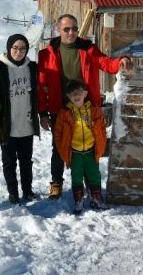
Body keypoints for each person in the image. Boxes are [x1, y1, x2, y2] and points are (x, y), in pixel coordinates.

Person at [37, 14, 131, 200]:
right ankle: (56, 183)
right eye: (66, 29)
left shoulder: (88, 48)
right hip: (60, 109)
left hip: (86, 108)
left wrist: (121, 60)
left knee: (88, 147)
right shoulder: (46, 54)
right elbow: (42, 85)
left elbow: (106, 63)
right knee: (59, 147)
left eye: (74, 28)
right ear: (58, 30)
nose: (71, 32)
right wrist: (43, 113)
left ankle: (90, 183)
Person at [0, 34, 40, 205]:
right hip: (8, 125)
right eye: (15, 48)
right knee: (9, 162)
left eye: (23, 49)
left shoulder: (31, 67)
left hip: (26, 123)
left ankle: (27, 190)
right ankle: (13, 193)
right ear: (9, 48)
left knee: (27, 161)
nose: (19, 52)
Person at [53, 80, 108, 214]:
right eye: (73, 94)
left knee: (94, 175)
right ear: (68, 96)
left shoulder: (94, 110)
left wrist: (101, 144)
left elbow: (102, 128)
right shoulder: (65, 113)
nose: (76, 96)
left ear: (85, 93)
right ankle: (78, 200)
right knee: (76, 176)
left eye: (79, 92)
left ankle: (96, 198)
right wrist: (63, 150)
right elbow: (58, 133)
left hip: (91, 151)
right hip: (75, 152)